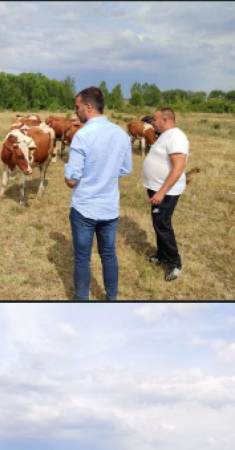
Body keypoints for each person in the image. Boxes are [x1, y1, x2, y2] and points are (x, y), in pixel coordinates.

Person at [63, 86, 132, 301]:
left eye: (77, 107)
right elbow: (125, 169)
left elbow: (72, 179)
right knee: (109, 255)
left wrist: (69, 176)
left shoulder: (82, 136)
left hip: (85, 208)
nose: (75, 112)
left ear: (89, 107)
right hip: (109, 208)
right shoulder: (121, 134)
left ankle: (82, 300)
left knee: (82, 258)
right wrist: (105, 176)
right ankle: (111, 298)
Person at [142, 108, 189, 283]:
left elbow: (178, 168)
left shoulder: (176, 137)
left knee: (162, 224)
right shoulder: (165, 135)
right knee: (157, 222)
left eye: (154, 119)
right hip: (157, 188)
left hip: (166, 191)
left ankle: (174, 262)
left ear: (165, 120)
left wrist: (161, 192)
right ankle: (161, 255)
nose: (151, 122)